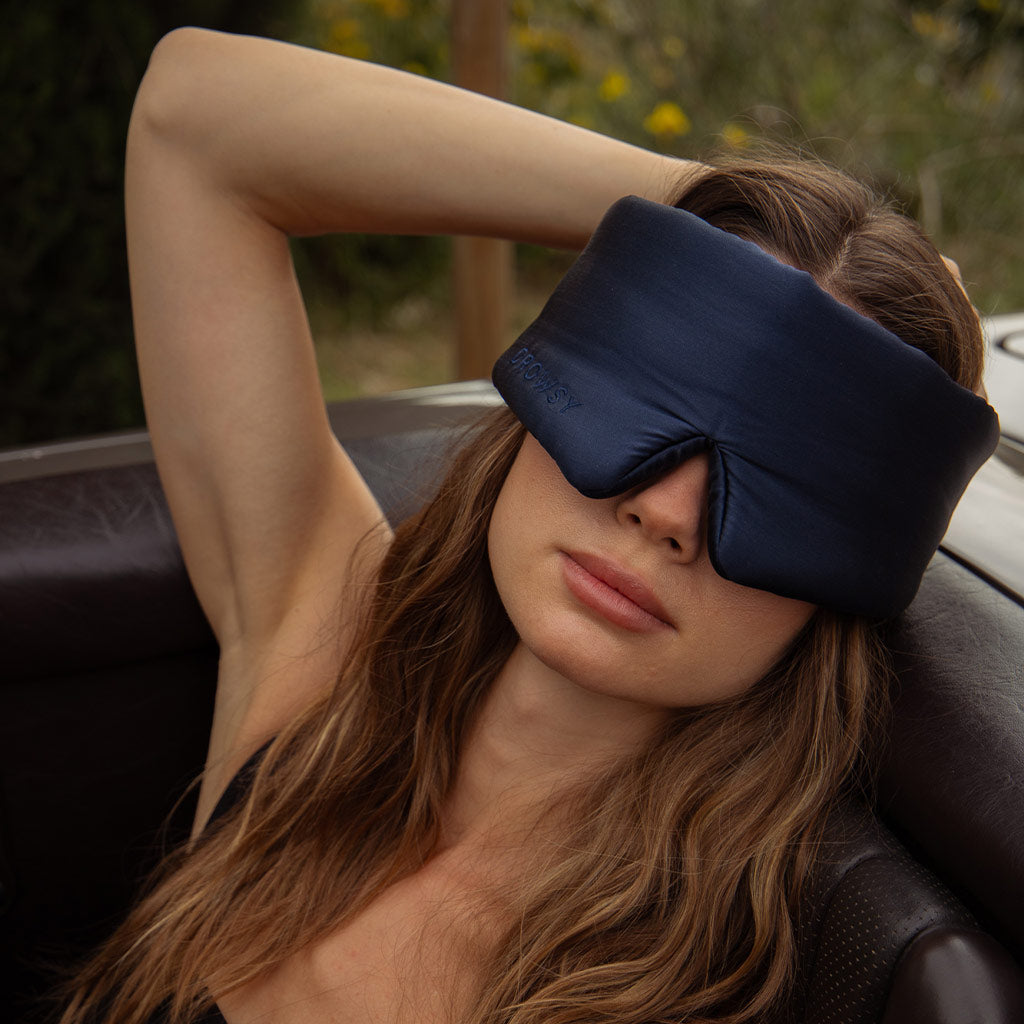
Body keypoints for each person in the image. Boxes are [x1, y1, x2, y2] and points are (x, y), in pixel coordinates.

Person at [58, 27, 996, 1024]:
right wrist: (687, 207)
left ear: (845, 575)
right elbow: (197, 116)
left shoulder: (684, 990)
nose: (665, 511)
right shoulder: (319, 667)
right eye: (650, 389)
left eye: (779, 482)